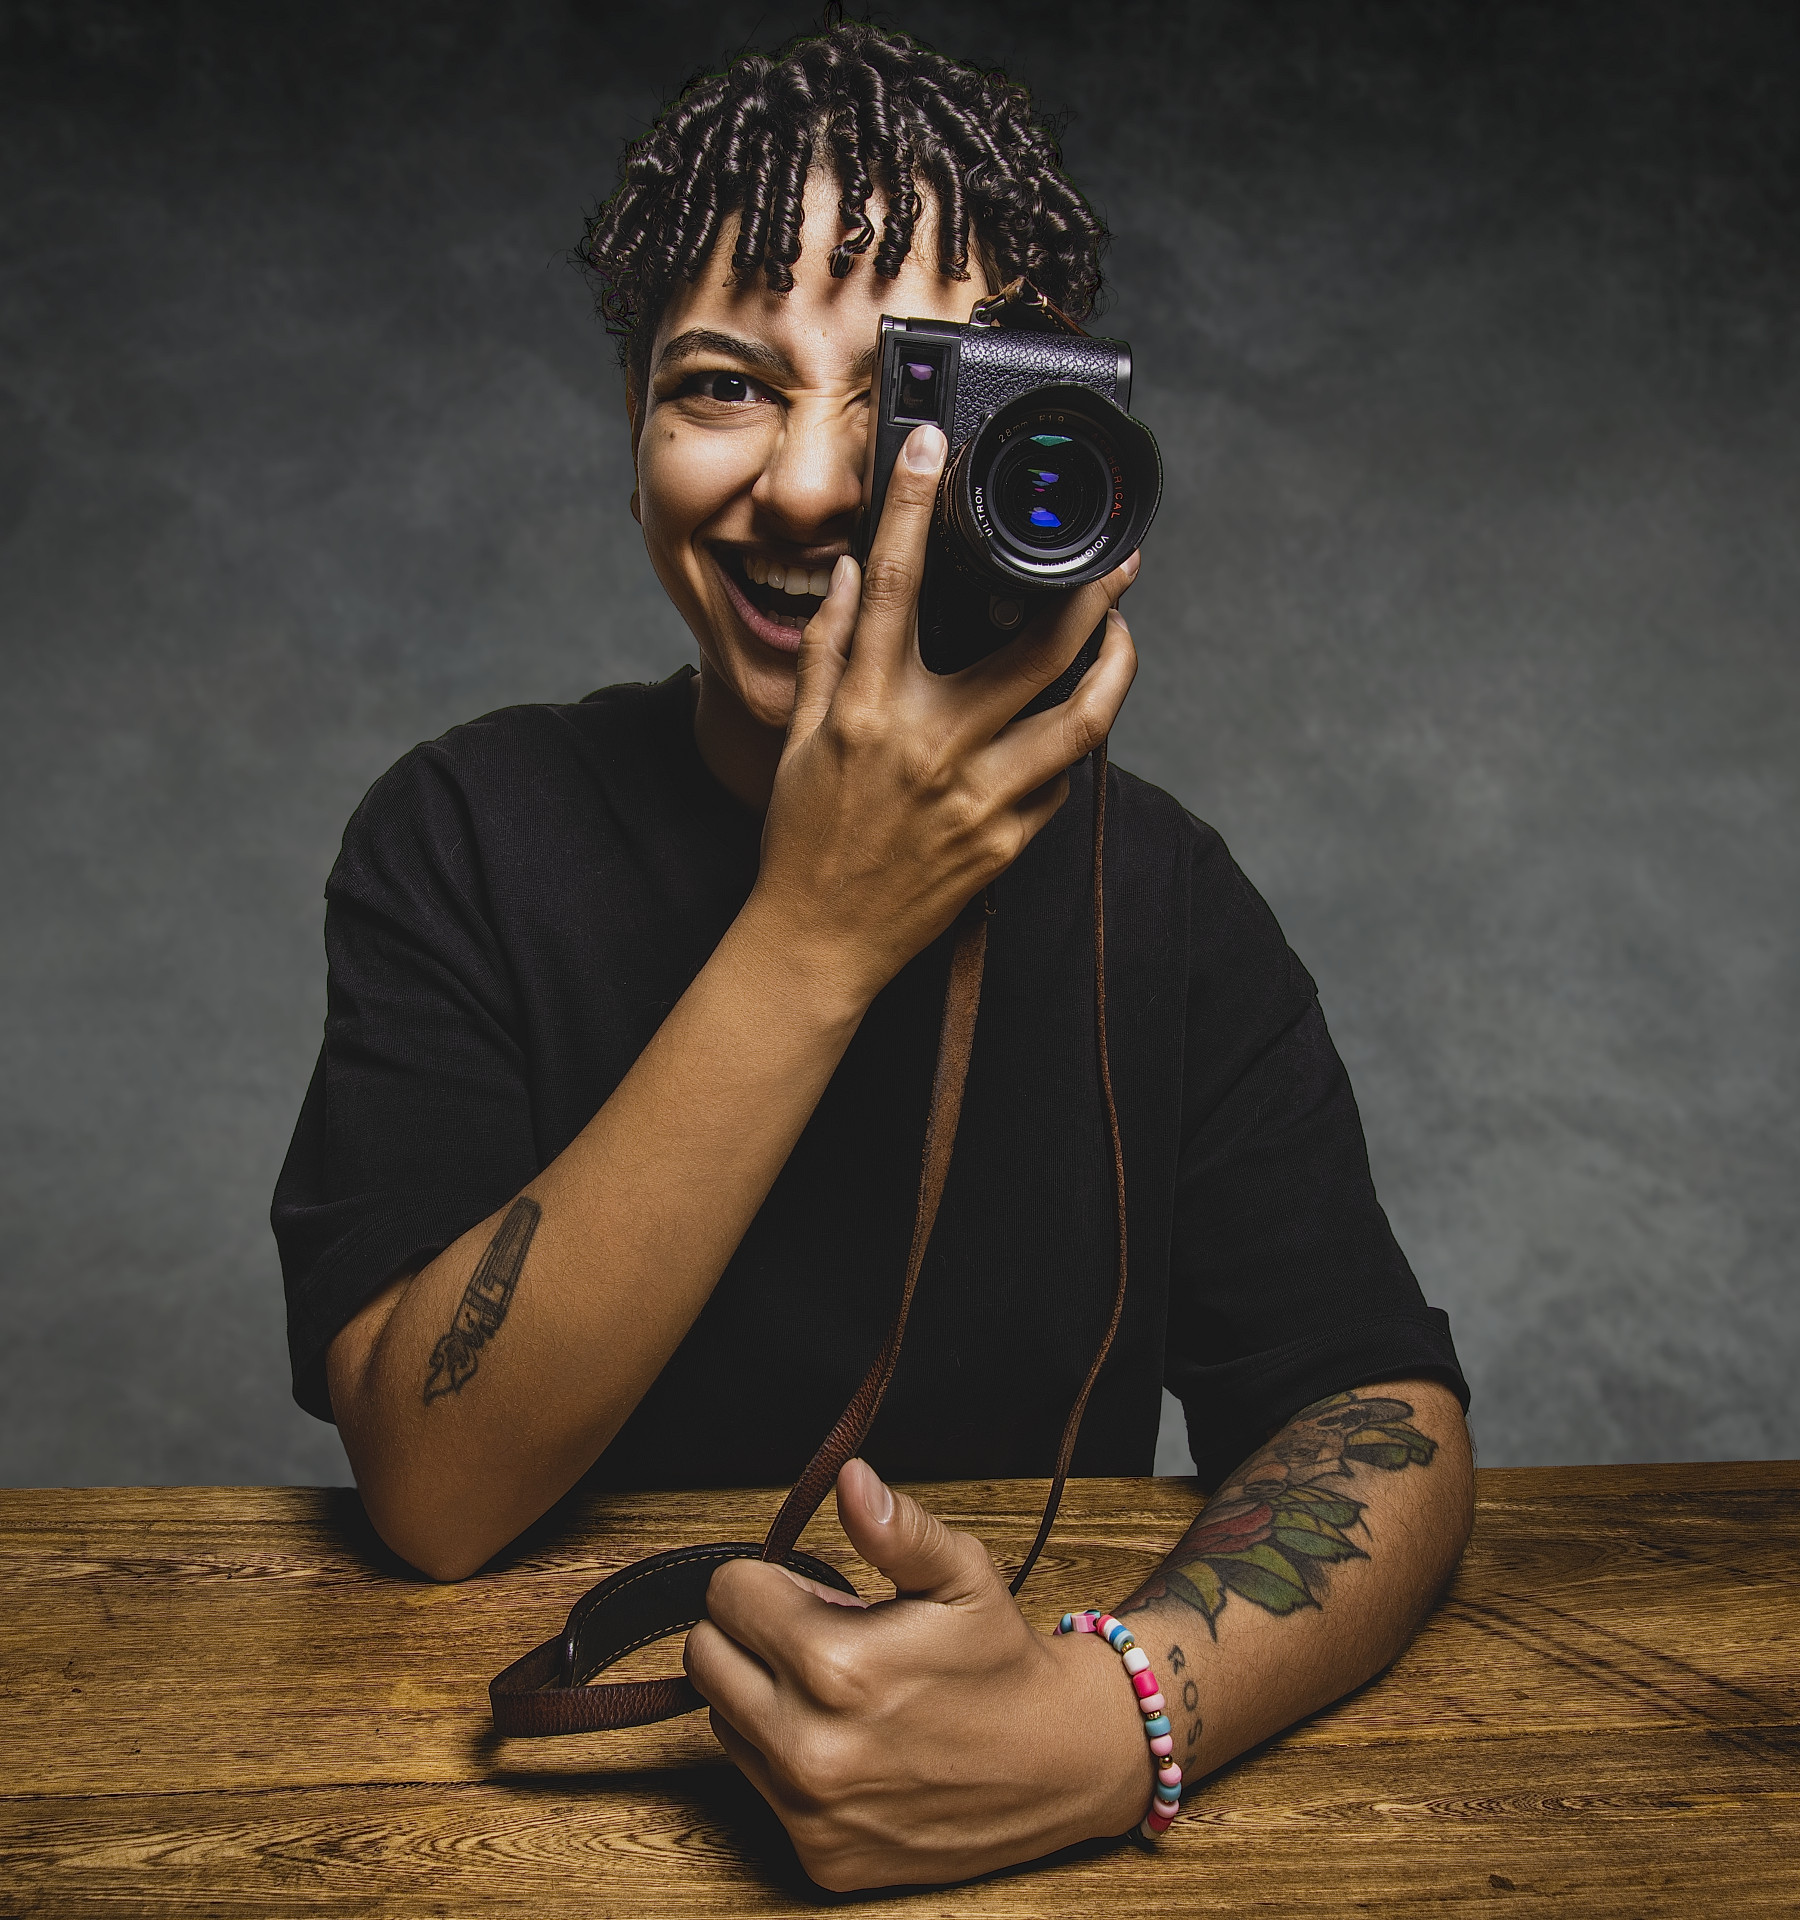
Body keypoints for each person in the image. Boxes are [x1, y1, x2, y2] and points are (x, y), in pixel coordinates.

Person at [273, 17, 1473, 1892]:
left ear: (1047, 435)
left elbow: (1375, 1413)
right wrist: (819, 927)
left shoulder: (1161, 894)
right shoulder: (466, 833)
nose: (820, 486)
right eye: (724, 385)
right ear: (634, 433)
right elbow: (431, 1491)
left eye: (914, 398)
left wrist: (1112, 1722)